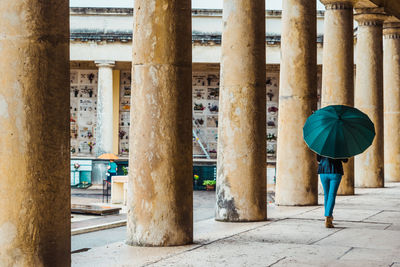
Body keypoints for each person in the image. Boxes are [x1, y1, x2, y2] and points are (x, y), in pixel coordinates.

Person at [317, 154, 348, 228]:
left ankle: (328, 216)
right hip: (335, 171)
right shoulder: (340, 146)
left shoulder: (323, 144)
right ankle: (328, 216)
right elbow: (345, 160)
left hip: (323, 171)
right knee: (332, 195)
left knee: (327, 195)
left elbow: (318, 159)